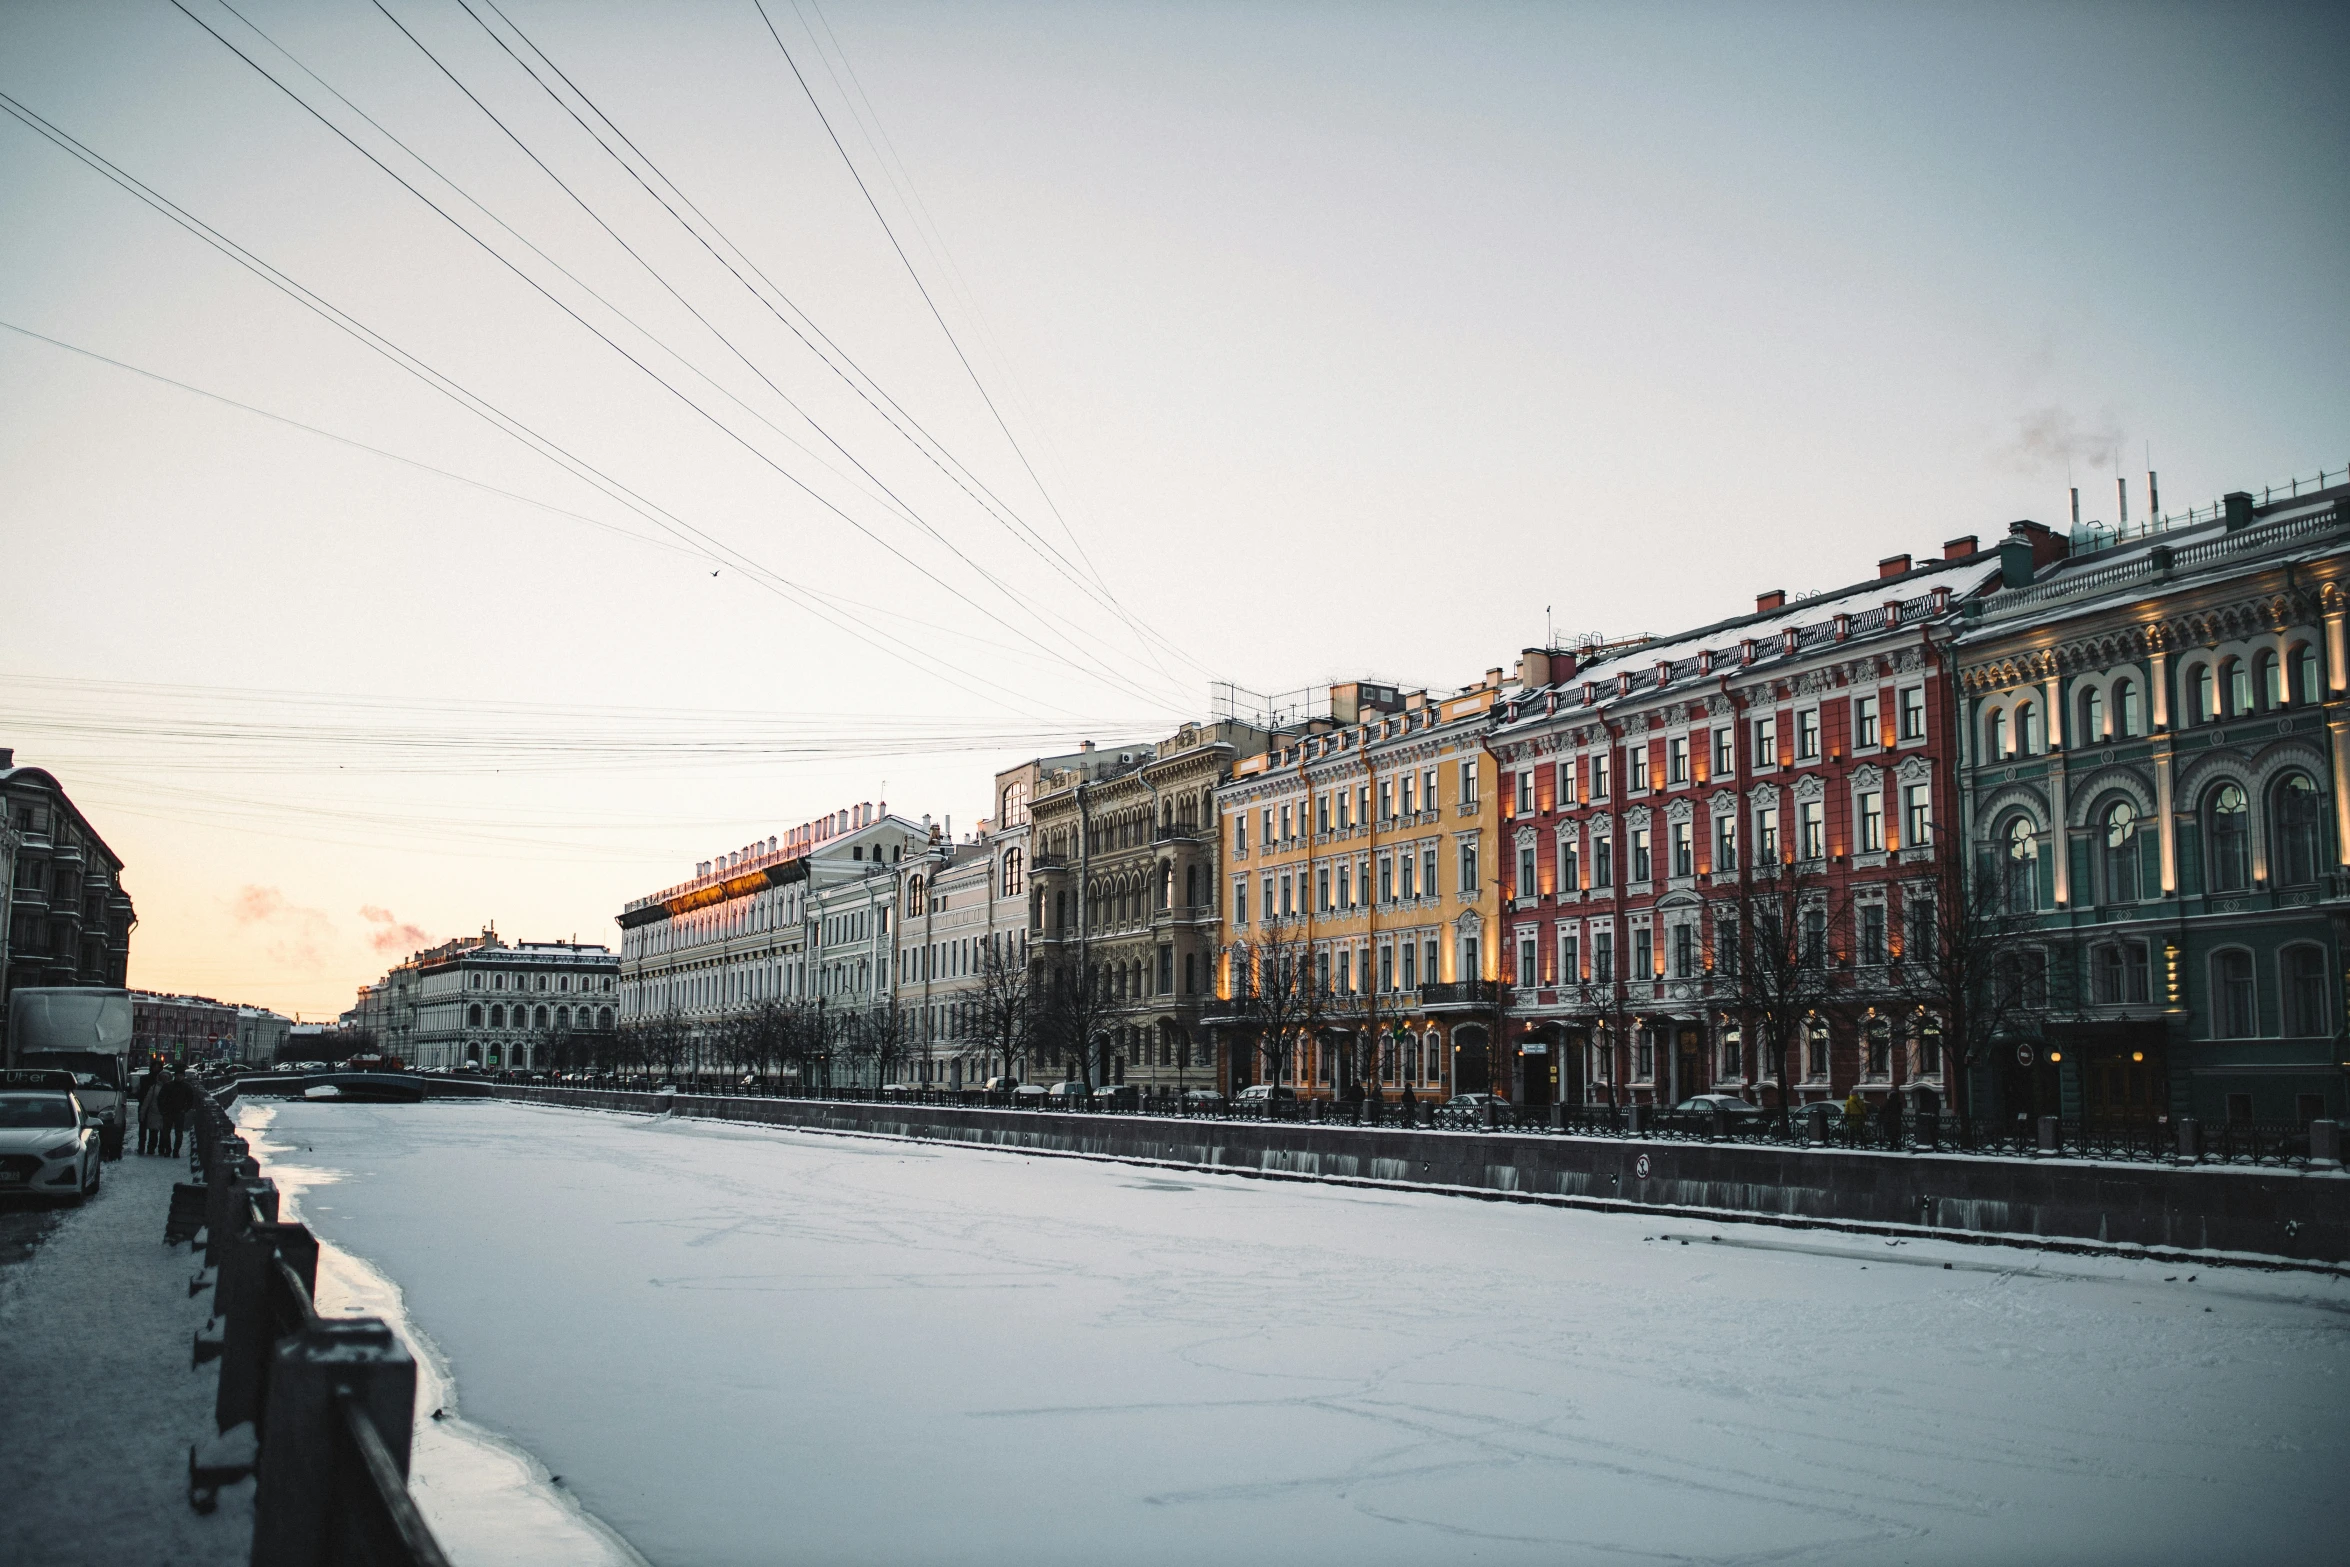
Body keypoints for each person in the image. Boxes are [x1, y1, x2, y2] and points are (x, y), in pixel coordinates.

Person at [137, 1064, 167, 1156]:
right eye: (155, 1067)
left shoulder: (165, 1085)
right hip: (149, 1108)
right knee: (147, 1129)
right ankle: (144, 1147)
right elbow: (140, 1093)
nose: (156, 1069)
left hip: (159, 1110)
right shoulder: (146, 1080)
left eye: (158, 1067)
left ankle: (156, 1148)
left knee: (159, 1131)